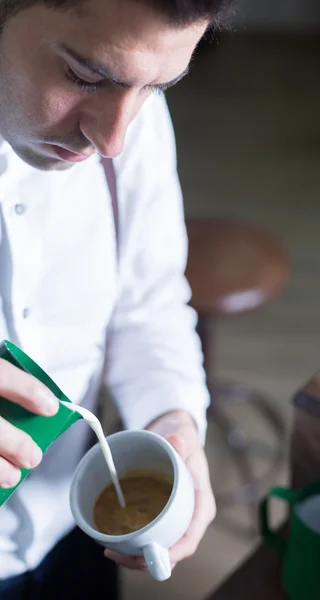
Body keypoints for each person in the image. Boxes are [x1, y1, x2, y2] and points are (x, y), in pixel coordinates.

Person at [0, 0, 235, 597]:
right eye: (85, 76)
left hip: (73, 530)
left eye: (158, 87)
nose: (113, 140)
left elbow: (146, 305)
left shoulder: (131, 120)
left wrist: (173, 417)